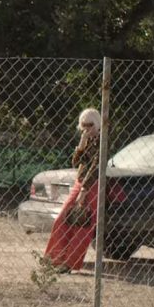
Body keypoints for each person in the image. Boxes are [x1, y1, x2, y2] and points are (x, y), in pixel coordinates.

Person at [44, 108, 102, 273]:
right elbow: (76, 162)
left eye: (89, 125)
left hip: (92, 184)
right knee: (62, 218)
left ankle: (69, 263)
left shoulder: (102, 140)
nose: (86, 129)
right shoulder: (88, 139)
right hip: (80, 181)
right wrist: (82, 144)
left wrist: (84, 189)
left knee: (82, 223)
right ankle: (54, 258)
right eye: (83, 126)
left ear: (97, 124)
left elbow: (96, 166)